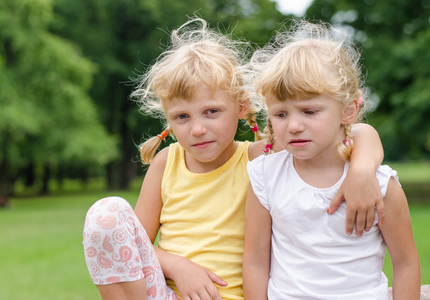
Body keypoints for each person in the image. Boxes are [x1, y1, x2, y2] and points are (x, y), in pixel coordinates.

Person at [83, 18, 386, 300]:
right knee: (105, 214)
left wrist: (361, 170)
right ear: (169, 120)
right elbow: (137, 244)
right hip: (168, 293)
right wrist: (178, 266)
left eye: (211, 112)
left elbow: (355, 131)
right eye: (182, 117)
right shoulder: (167, 162)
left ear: (242, 106)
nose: (198, 128)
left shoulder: (261, 157)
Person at [243, 20, 421, 300]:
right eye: (280, 114)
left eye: (309, 111)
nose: (293, 126)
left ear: (348, 110)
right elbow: (255, 262)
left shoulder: (381, 184)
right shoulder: (265, 176)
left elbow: (406, 264)